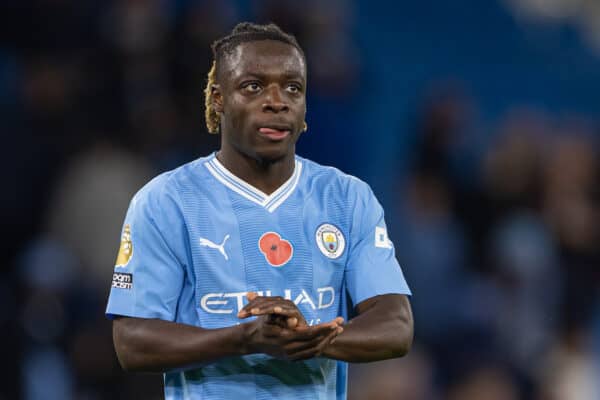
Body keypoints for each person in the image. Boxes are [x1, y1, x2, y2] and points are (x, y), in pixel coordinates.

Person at [106, 22, 413, 400]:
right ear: (218, 98)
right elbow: (131, 342)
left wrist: (311, 338)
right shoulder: (165, 201)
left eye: (292, 88)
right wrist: (245, 339)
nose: (277, 101)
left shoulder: (348, 198)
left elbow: (396, 324)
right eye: (254, 87)